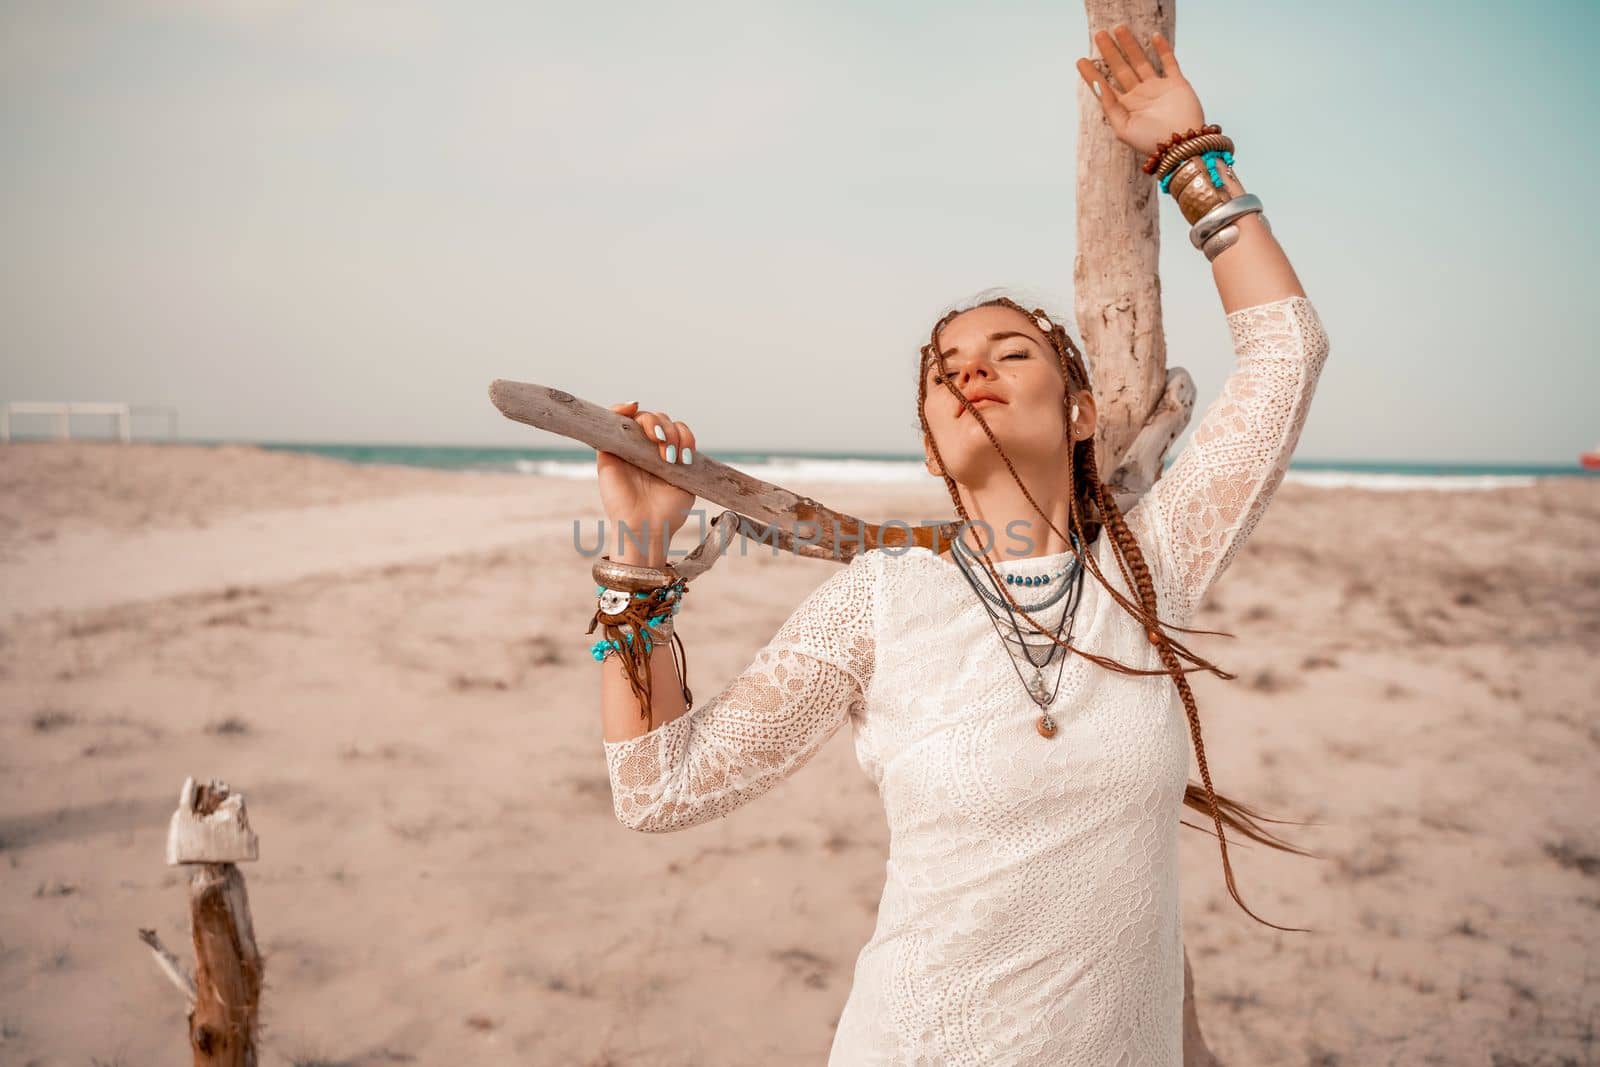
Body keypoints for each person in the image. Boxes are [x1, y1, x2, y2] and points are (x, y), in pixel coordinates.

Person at [590, 23, 1330, 1065]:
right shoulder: (882, 598)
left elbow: (1285, 353)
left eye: (1007, 350)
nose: (967, 371)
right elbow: (658, 788)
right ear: (933, 435)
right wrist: (634, 556)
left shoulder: (1149, 562)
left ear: (1080, 411)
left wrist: (1187, 156)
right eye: (942, 369)